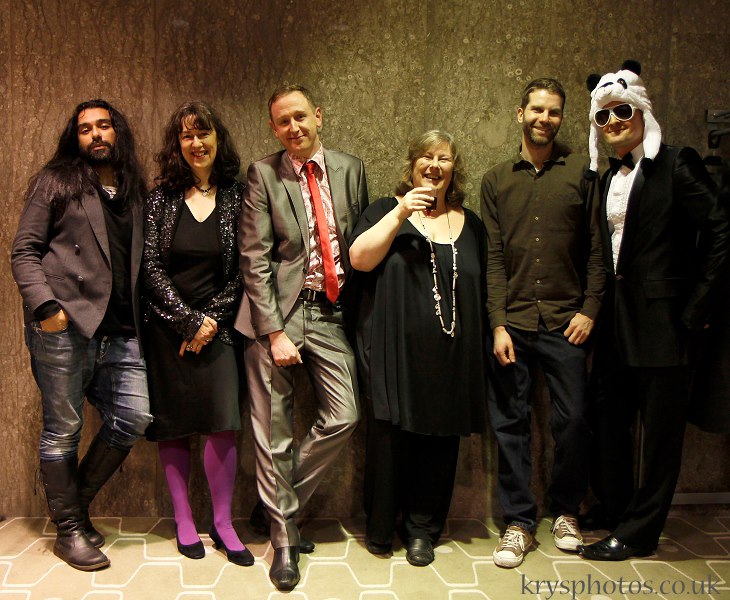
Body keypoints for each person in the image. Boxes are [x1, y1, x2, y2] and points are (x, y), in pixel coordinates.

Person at [578, 61, 729, 561]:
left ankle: (640, 533)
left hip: (667, 325)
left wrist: (698, 306)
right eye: (603, 115)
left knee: (661, 437)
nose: (614, 121)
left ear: (641, 110)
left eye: (622, 111)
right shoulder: (606, 177)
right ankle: (619, 507)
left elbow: (722, 229)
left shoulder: (678, 163)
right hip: (617, 324)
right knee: (607, 417)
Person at [234, 84, 368, 591]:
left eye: (300, 117)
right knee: (274, 431)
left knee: (345, 415)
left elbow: (359, 244)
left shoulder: (351, 169)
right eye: (283, 121)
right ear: (274, 128)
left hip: (330, 313)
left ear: (318, 116)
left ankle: (277, 506)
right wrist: (273, 332)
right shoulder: (263, 174)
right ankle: (284, 542)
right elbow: (255, 257)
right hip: (278, 314)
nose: (294, 128)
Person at [11, 99, 152, 571]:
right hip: (64, 326)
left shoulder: (134, 190)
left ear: (117, 132)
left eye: (103, 125)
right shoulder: (56, 180)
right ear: (76, 138)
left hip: (122, 330)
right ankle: (69, 531)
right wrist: (46, 308)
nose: (95, 134)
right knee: (63, 430)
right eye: (85, 128)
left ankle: (73, 508)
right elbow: (24, 250)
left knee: (134, 416)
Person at [480, 78, 605, 568]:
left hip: (565, 321)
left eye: (553, 112)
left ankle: (565, 511)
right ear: (520, 113)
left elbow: (597, 249)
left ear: (561, 118)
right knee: (509, 423)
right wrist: (497, 323)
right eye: (536, 110)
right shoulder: (496, 180)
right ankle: (518, 522)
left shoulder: (582, 173)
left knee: (573, 420)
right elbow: (493, 259)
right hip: (512, 322)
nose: (544, 119)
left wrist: (590, 309)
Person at [349, 130, 487, 567]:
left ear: (454, 169)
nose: (434, 165)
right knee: (389, 441)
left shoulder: (472, 223)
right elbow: (359, 259)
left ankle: (422, 530)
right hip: (393, 351)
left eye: (444, 158)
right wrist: (401, 211)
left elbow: (483, 285)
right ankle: (381, 526)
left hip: (451, 354)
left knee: (439, 443)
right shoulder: (384, 209)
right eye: (426, 157)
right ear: (411, 166)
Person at [143, 102, 251, 566]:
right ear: (177, 144)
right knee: (173, 424)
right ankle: (184, 520)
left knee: (223, 423)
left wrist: (209, 322)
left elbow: (248, 267)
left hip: (220, 330)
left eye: (203, 133)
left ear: (217, 139)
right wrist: (187, 321)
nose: (196, 143)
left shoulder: (239, 196)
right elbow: (149, 267)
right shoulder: (160, 198)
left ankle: (223, 524)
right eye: (187, 135)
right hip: (167, 329)